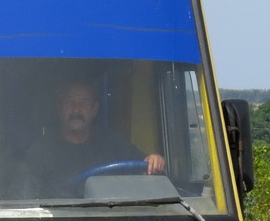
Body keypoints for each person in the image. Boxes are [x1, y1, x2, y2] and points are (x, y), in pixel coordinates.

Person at [23, 80, 165, 196]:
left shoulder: (112, 142)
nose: (76, 110)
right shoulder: (41, 151)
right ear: (59, 110)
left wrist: (153, 161)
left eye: (83, 103)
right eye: (70, 102)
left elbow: (142, 166)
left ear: (94, 110)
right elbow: (24, 197)